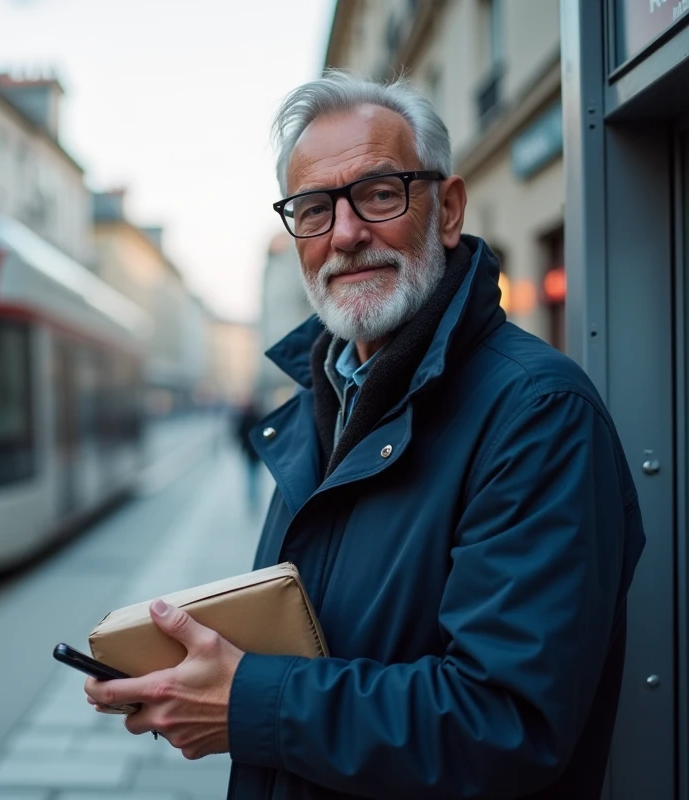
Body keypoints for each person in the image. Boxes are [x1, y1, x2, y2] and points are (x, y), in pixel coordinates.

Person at [85, 71, 645, 799]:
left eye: (379, 194)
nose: (345, 235)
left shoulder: (538, 413)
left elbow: (508, 722)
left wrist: (246, 701)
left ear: (446, 210)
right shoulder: (325, 402)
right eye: (313, 209)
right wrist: (199, 678)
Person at [233, 399, 263, 508]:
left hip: (249, 452)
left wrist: (243, 445)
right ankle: (255, 498)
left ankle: (252, 498)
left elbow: (238, 434)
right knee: (255, 475)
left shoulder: (244, 419)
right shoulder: (258, 418)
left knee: (251, 476)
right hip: (257, 451)